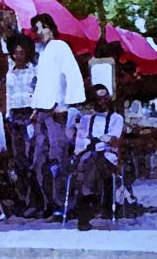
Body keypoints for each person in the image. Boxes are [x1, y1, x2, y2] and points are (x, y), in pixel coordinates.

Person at [29, 13, 86, 217]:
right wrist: (35, 108)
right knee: (39, 161)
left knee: (57, 158)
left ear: (50, 27)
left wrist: (66, 103)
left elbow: (71, 74)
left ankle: (64, 205)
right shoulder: (41, 53)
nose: (40, 32)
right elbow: (43, 83)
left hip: (56, 111)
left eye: (43, 27)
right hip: (42, 112)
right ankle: (50, 203)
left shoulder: (61, 46)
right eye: (36, 29)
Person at [73, 84, 124, 231]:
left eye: (105, 98)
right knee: (90, 161)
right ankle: (88, 203)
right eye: (99, 99)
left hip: (108, 160)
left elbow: (114, 140)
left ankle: (85, 205)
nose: (102, 102)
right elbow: (80, 144)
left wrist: (102, 141)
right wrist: (97, 141)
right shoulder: (86, 120)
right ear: (93, 101)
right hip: (88, 157)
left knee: (94, 162)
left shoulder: (116, 118)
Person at [5, 34, 37, 213]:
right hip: (14, 115)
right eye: (15, 53)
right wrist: (7, 115)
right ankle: (23, 198)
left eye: (21, 52)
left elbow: (37, 92)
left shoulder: (33, 71)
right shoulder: (10, 73)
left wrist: (34, 112)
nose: (18, 56)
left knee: (30, 155)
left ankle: (34, 200)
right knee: (18, 159)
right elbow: (7, 95)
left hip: (28, 114)